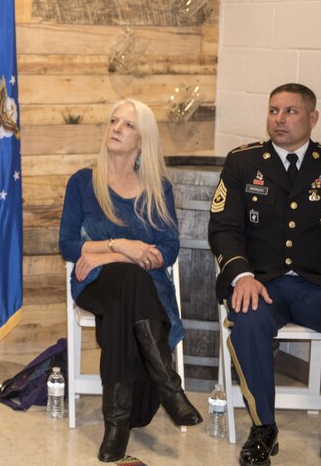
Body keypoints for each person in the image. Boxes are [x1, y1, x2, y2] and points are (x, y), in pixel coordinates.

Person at [208, 83, 321, 466]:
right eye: (273, 111)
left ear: (313, 118)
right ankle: (263, 428)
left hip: (320, 285)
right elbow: (223, 227)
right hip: (261, 282)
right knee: (247, 317)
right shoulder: (243, 162)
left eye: (290, 112)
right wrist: (241, 276)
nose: (278, 120)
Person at [59, 99, 202, 462]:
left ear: (143, 140)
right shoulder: (82, 182)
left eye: (128, 125)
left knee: (130, 289)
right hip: (95, 283)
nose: (116, 128)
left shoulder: (158, 188)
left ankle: (117, 424)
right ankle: (170, 387)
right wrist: (123, 246)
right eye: (113, 121)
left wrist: (112, 254)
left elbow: (168, 249)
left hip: (142, 294)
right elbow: (68, 245)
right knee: (129, 276)